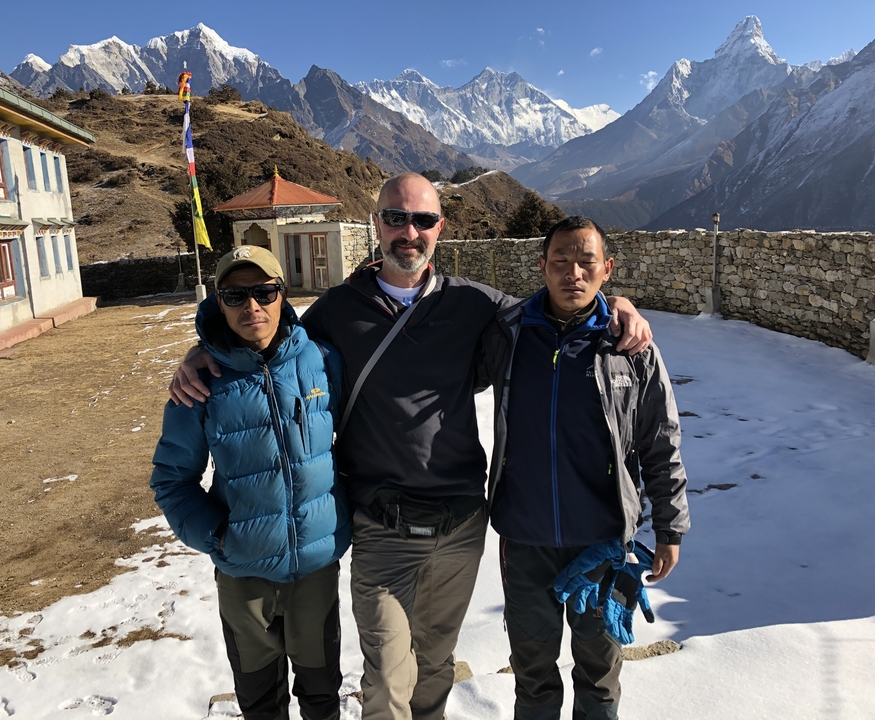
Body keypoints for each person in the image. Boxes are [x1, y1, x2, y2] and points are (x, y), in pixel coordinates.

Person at [169, 174, 653, 720]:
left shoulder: (476, 304)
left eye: (423, 219)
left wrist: (619, 305)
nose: (409, 231)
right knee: (385, 680)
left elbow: (562, 307)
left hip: (460, 525)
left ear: (439, 228)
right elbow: (269, 341)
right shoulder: (336, 310)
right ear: (376, 223)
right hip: (382, 525)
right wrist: (202, 353)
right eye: (396, 218)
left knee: (436, 665)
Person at [479, 216, 691, 720]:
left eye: (586, 262)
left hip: (601, 543)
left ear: (607, 269)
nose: (572, 272)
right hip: (525, 541)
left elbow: (661, 442)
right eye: (560, 261)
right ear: (542, 266)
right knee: (533, 679)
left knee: (598, 680)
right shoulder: (508, 335)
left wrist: (670, 527)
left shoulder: (632, 350)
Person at [150, 246, 351, 720]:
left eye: (264, 292)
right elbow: (172, 479)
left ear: (283, 295)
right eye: (235, 295)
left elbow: (357, 435)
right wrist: (218, 536)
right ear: (218, 303)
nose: (252, 306)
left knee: (322, 696)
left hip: (317, 567)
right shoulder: (201, 383)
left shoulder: (322, 361)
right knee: (261, 702)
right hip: (245, 577)